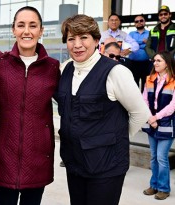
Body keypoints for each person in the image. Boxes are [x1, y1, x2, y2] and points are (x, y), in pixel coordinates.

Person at [56, 14, 151, 205]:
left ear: (96, 40)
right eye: (71, 38)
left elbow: (140, 113)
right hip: (75, 163)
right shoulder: (65, 70)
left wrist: (116, 139)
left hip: (106, 167)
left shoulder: (115, 72)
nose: (77, 44)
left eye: (83, 37)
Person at [0, 6, 60, 205]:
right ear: (13, 30)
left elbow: (69, 104)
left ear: (41, 31)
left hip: (38, 156)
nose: (26, 31)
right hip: (4, 155)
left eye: (33, 26)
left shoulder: (53, 67)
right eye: (21, 25)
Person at [142, 51, 175, 200]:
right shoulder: (149, 79)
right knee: (154, 157)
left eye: (158, 61)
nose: (155, 63)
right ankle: (154, 185)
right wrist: (150, 117)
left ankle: (164, 188)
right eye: (154, 60)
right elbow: (144, 100)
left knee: (162, 157)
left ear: (167, 63)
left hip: (167, 124)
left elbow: (172, 106)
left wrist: (155, 117)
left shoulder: (174, 81)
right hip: (152, 122)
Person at [129, 15, 152, 92]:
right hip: (133, 64)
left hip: (147, 64)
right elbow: (129, 45)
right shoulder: (131, 34)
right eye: (136, 21)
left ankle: (145, 102)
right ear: (134, 23)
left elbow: (151, 45)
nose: (139, 22)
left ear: (144, 22)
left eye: (141, 20)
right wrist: (143, 42)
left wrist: (136, 43)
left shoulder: (150, 33)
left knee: (146, 86)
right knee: (133, 85)